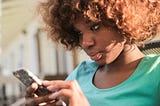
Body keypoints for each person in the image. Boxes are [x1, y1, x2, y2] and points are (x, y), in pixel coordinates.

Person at [25, 0, 160, 106]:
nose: (85, 43)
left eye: (95, 26)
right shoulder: (81, 73)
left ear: (124, 20)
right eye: (79, 33)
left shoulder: (155, 72)